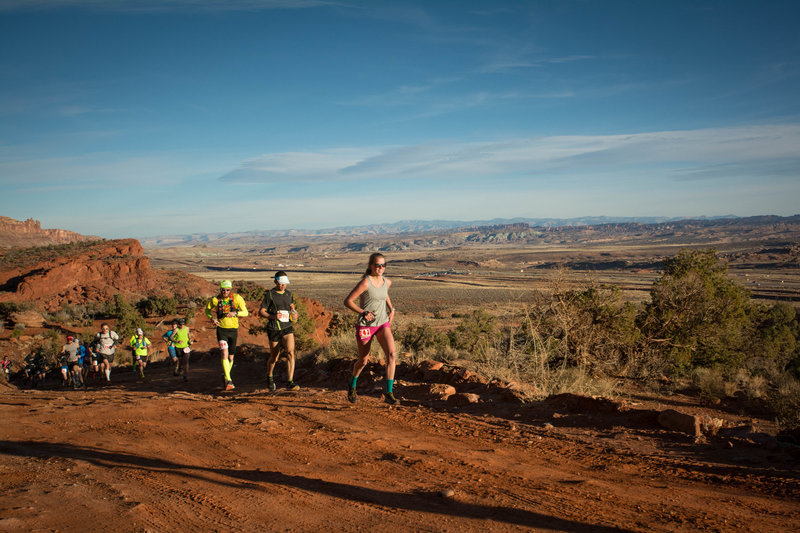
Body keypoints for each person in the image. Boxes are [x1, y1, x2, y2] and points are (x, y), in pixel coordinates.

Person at [343, 253, 398, 404]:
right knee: (363, 360)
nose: (380, 268)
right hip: (366, 326)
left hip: (382, 323)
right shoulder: (365, 283)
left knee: (392, 355)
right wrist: (363, 312)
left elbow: (384, 294)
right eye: (377, 265)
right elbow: (348, 301)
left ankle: (388, 392)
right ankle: (352, 384)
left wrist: (391, 309)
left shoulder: (387, 281)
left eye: (383, 265)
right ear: (370, 266)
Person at [259, 271, 300, 391]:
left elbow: (292, 307)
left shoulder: (288, 294)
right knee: (274, 357)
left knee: (291, 352)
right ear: (275, 281)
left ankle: (290, 382)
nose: (283, 286)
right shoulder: (270, 295)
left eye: (285, 284)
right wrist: (273, 317)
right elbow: (261, 311)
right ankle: (270, 376)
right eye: (281, 284)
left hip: (287, 327)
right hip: (274, 328)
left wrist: (294, 313)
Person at [205, 280, 248, 390]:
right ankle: (229, 380)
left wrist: (235, 313)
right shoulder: (215, 300)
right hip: (221, 330)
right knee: (224, 353)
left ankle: (225, 374)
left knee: (230, 357)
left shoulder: (237, 298)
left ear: (231, 290)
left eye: (227, 290)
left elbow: (246, 312)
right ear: (220, 290)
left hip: (233, 330)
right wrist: (212, 319)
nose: (225, 292)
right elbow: (207, 310)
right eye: (223, 290)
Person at [168, 318, 193, 382]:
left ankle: (186, 376)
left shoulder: (187, 328)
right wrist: (176, 341)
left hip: (186, 347)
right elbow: (170, 337)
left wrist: (190, 339)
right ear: (178, 324)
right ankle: (179, 368)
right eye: (180, 324)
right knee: (180, 360)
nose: (182, 326)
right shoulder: (176, 330)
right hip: (178, 347)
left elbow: (189, 335)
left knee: (186, 361)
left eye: (183, 324)